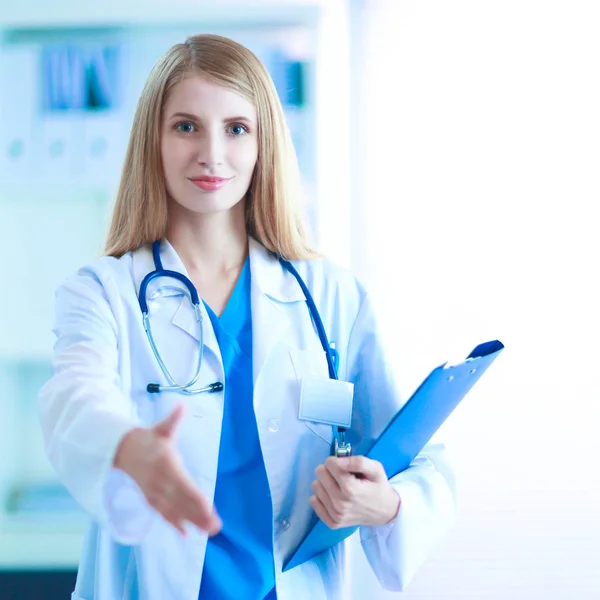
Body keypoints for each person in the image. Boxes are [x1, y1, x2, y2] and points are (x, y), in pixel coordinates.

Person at [38, 33, 457, 600]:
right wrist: (125, 445)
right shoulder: (104, 291)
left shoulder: (331, 296)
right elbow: (73, 396)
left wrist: (385, 503)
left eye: (236, 128)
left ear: (264, 144)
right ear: (153, 142)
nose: (211, 153)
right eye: (186, 126)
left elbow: (418, 458)